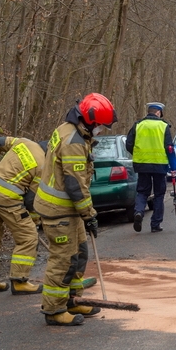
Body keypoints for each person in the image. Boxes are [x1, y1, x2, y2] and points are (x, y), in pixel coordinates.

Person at [34, 93, 117, 326]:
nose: (101, 129)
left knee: (80, 254)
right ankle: (54, 310)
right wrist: (90, 215)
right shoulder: (73, 142)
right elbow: (75, 185)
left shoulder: (72, 130)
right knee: (64, 259)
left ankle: (72, 299)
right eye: (100, 125)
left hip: (68, 210)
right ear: (90, 120)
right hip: (58, 210)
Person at [0, 136, 46, 295]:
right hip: (7, 198)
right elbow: (31, 201)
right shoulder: (43, 166)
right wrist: (34, 222)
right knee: (28, 237)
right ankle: (19, 281)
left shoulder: (24, 142)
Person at [125, 102, 176, 233]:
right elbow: (169, 148)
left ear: (148, 111)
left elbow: (128, 144)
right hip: (160, 165)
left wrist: (138, 154)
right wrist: (173, 166)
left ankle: (138, 212)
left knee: (142, 191)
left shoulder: (138, 125)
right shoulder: (163, 126)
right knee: (159, 194)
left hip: (142, 164)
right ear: (158, 113)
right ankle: (155, 224)